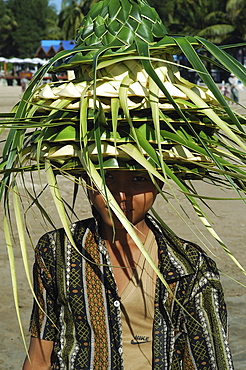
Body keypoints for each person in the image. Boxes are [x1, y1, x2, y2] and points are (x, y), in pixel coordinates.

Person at [22, 168, 234, 369]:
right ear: (86, 180)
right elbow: (40, 358)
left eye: (138, 179)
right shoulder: (58, 250)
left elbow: (208, 361)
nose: (120, 194)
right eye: (106, 177)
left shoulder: (189, 265)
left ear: (159, 182)